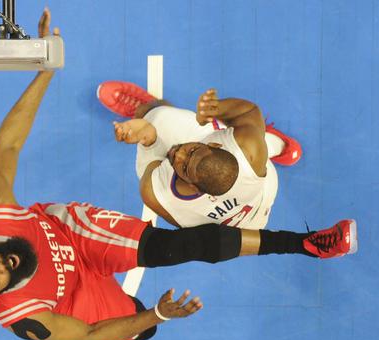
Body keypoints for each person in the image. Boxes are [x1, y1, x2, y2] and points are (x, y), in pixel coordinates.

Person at [0, 9, 357, 340]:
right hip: (71, 302)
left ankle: (304, 244)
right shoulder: (26, 317)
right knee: (141, 328)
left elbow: (8, 144)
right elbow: (90, 330)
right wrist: (157, 312)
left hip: (70, 234)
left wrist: (44, 71)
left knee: (189, 245)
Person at [98, 81, 301, 229]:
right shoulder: (247, 151)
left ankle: (146, 108)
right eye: (192, 151)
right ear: (215, 144)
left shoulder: (160, 195)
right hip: (264, 191)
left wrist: (146, 136)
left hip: (251, 220)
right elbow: (248, 113)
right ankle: (281, 145)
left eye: (184, 167)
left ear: (193, 187)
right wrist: (216, 109)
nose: (178, 155)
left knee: (158, 117)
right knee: (258, 140)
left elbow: (149, 140)